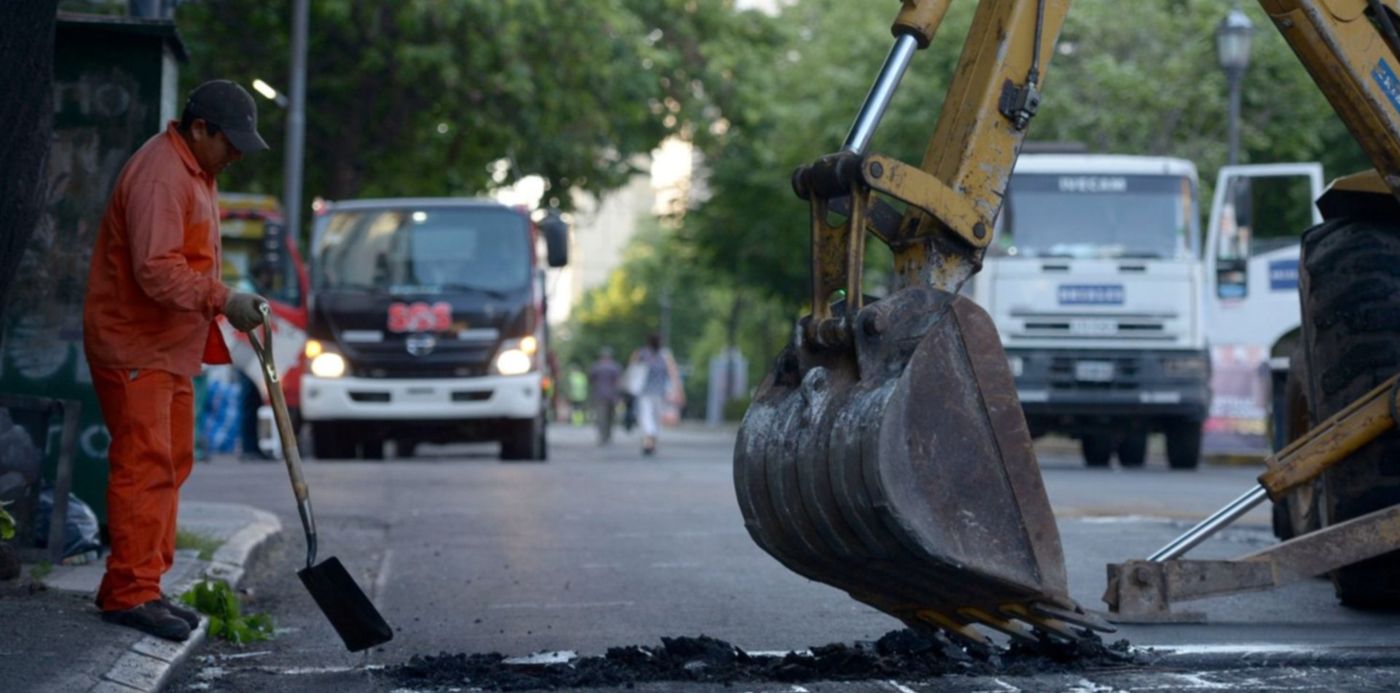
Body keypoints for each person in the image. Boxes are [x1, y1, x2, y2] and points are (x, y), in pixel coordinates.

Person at [82, 80, 270, 642]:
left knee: (169, 465)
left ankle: (143, 584)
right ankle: (131, 594)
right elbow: (157, 270)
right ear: (199, 129)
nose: (236, 155)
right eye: (230, 142)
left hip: (167, 347)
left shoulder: (196, 171)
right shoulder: (162, 175)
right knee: (144, 468)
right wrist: (223, 298)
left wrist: (224, 300)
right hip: (135, 345)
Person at [629, 334, 683, 456]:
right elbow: (673, 373)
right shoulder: (665, 355)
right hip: (660, 393)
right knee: (656, 417)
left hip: (644, 392)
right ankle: (651, 441)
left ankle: (648, 441)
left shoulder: (641, 354)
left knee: (646, 416)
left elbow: (632, 369)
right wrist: (678, 391)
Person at [588, 347, 622, 444]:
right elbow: (618, 382)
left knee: (601, 416)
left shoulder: (596, 366)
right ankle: (608, 435)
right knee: (610, 416)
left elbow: (591, 379)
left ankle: (602, 436)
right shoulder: (615, 367)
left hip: (599, 394)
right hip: (612, 395)